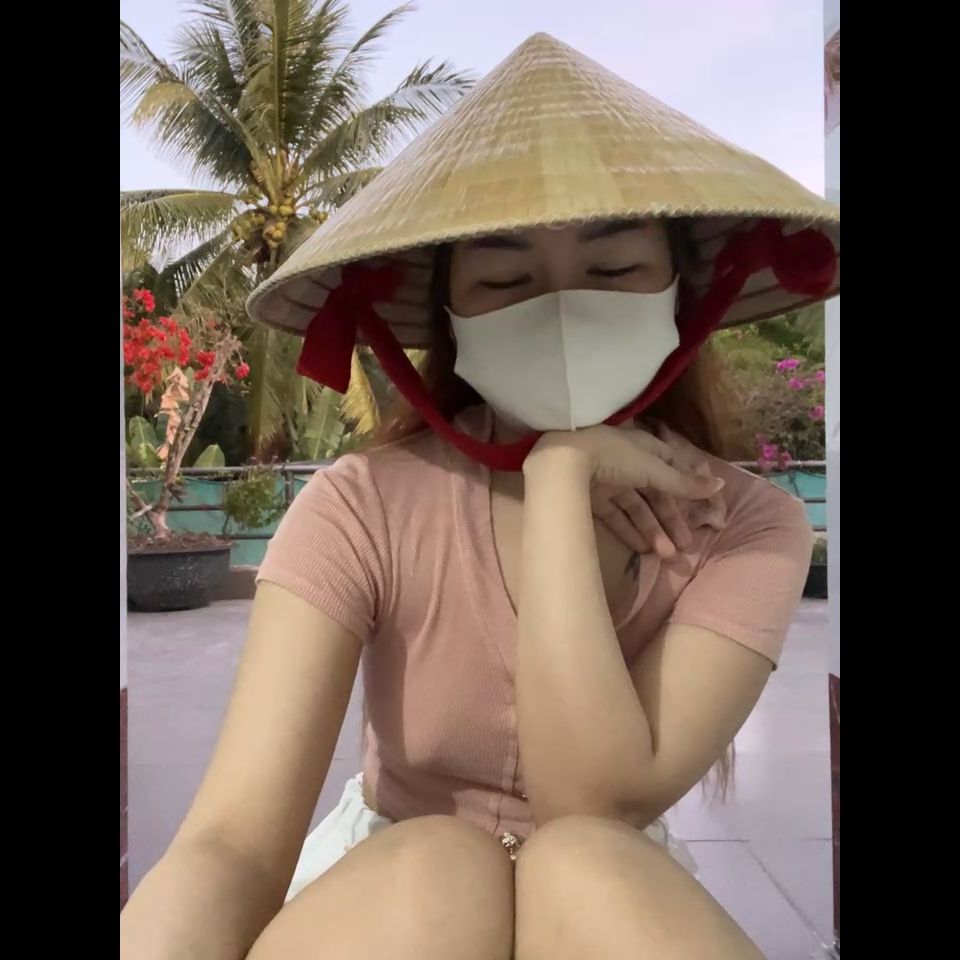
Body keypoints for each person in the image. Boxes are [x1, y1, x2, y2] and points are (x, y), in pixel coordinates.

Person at [120, 32, 840, 959]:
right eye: (505, 280)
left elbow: (589, 806)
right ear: (451, 319)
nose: (562, 309)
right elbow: (229, 846)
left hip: (606, 907)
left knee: (584, 863)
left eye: (613, 270)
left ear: (682, 292)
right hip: (397, 907)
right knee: (440, 864)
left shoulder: (747, 525)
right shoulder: (361, 506)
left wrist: (558, 477)